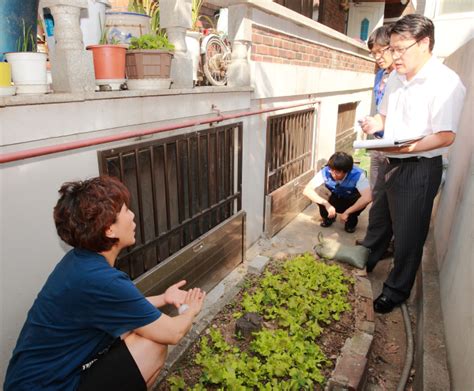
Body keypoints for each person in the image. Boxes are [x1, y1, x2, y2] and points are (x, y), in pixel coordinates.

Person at [4, 176, 206, 391]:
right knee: (152, 343)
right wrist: (190, 310)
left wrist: (163, 298)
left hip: (41, 379)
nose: (133, 215)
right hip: (49, 387)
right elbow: (172, 333)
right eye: (126, 211)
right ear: (109, 229)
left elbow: (121, 308)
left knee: (135, 330)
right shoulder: (100, 280)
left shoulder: (80, 262)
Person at [359, 14, 466, 314]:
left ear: (424, 43)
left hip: (418, 168)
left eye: (400, 49)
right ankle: (371, 256)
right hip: (390, 159)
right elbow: (385, 115)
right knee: (381, 217)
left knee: (408, 235)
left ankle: (396, 290)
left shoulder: (445, 83)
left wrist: (409, 146)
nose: (394, 56)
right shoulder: (395, 76)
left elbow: (446, 136)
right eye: (391, 48)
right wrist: (373, 123)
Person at [303, 152, 372, 233]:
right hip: (334, 198)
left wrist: (348, 212)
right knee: (319, 191)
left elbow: (368, 197)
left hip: (349, 200)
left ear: (347, 171)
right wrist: (326, 204)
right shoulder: (326, 171)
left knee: (361, 197)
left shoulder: (358, 175)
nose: (333, 174)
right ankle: (329, 217)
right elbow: (307, 190)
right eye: (331, 170)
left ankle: (351, 219)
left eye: (337, 172)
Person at [366, 25, 395, 192]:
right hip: (379, 141)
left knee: (389, 193)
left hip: (395, 145)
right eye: (373, 53)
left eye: (381, 51)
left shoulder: (402, 76)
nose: (377, 57)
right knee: (375, 191)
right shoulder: (379, 75)